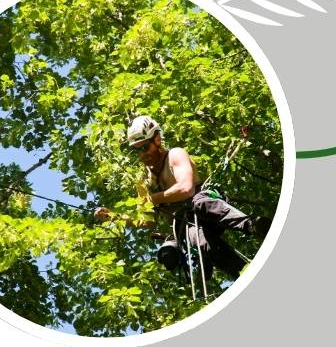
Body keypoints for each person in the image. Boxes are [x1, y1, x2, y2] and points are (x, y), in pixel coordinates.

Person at [95, 115, 266, 281]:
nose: (142, 154)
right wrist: (114, 217)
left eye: (144, 147)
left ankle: (252, 224)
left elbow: (186, 189)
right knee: (201, 242)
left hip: (206, 208)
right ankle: (242, 270)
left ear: (156, 140)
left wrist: (152, 199)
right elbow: (148, 221)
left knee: (201, 203)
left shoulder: (174, 155)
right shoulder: (143, 182)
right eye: (137, 150)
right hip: (185, 223)